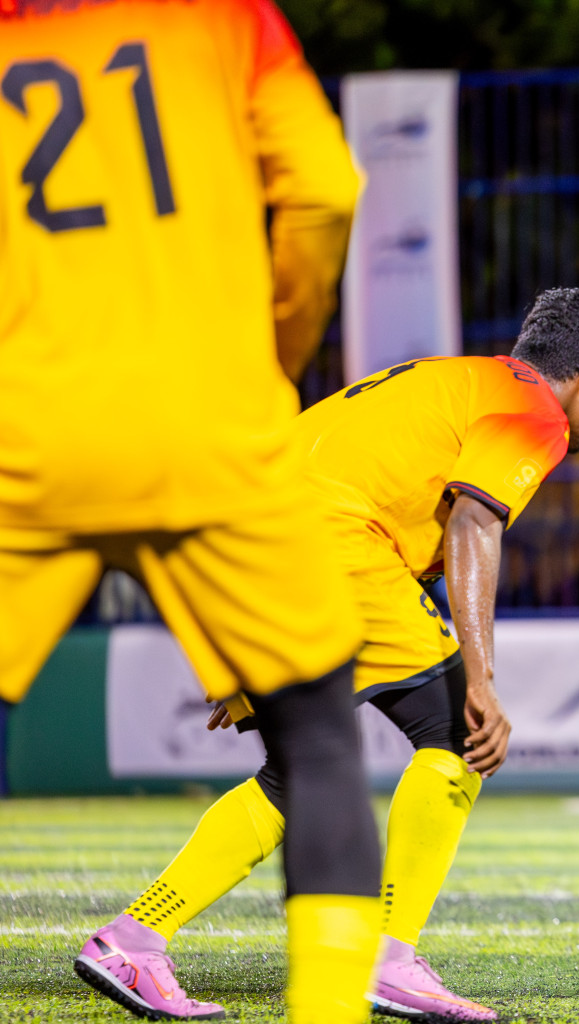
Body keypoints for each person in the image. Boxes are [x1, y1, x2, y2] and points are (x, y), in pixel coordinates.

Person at [79, 287, 579, 1023]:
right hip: (335, 544)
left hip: (256, 538)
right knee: (460, 735)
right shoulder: (535, 409)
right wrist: (482, 677)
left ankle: (131, 940)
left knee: (299, 768)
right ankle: (389, 957)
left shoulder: (447, 378)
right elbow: (477, 522)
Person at [0, 2, 381, 1021]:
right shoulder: (224, 18)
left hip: (28, 426)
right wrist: (278, 350)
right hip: (215, 419)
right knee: (318, 737)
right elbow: (325, 191)